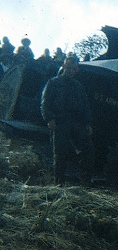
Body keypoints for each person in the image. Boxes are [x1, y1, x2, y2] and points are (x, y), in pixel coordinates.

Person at [40, 53, 95, 185]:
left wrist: (87, 123)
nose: (70, 71)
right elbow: (45, 103)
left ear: (77, 70)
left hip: (76, 123)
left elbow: (85, 106)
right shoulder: (54, 83)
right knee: (60, 154)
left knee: (88, 150)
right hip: (60, 122)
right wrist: (49, 119)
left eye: (73, 69)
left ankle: (85, 181)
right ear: (64, 66)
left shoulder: (79, 87)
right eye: (68, 68)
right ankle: (59, 183)